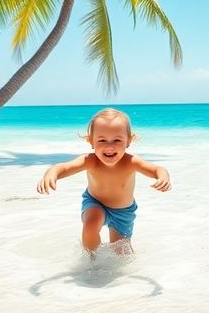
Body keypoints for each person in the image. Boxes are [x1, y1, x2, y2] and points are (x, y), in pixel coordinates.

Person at [36, 108, 171, 254]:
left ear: (128, 141)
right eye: (102, 140)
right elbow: (63, 167)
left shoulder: (131, 162)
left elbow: (157, 169)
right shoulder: (90, 161)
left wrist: (163, 177)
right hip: (95, 202)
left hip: (123, 211)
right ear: (91, 141)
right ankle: (91, 263)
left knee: (122, 254)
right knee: (90, 226)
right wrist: (51, 174)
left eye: (117, 140)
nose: (109, 146)